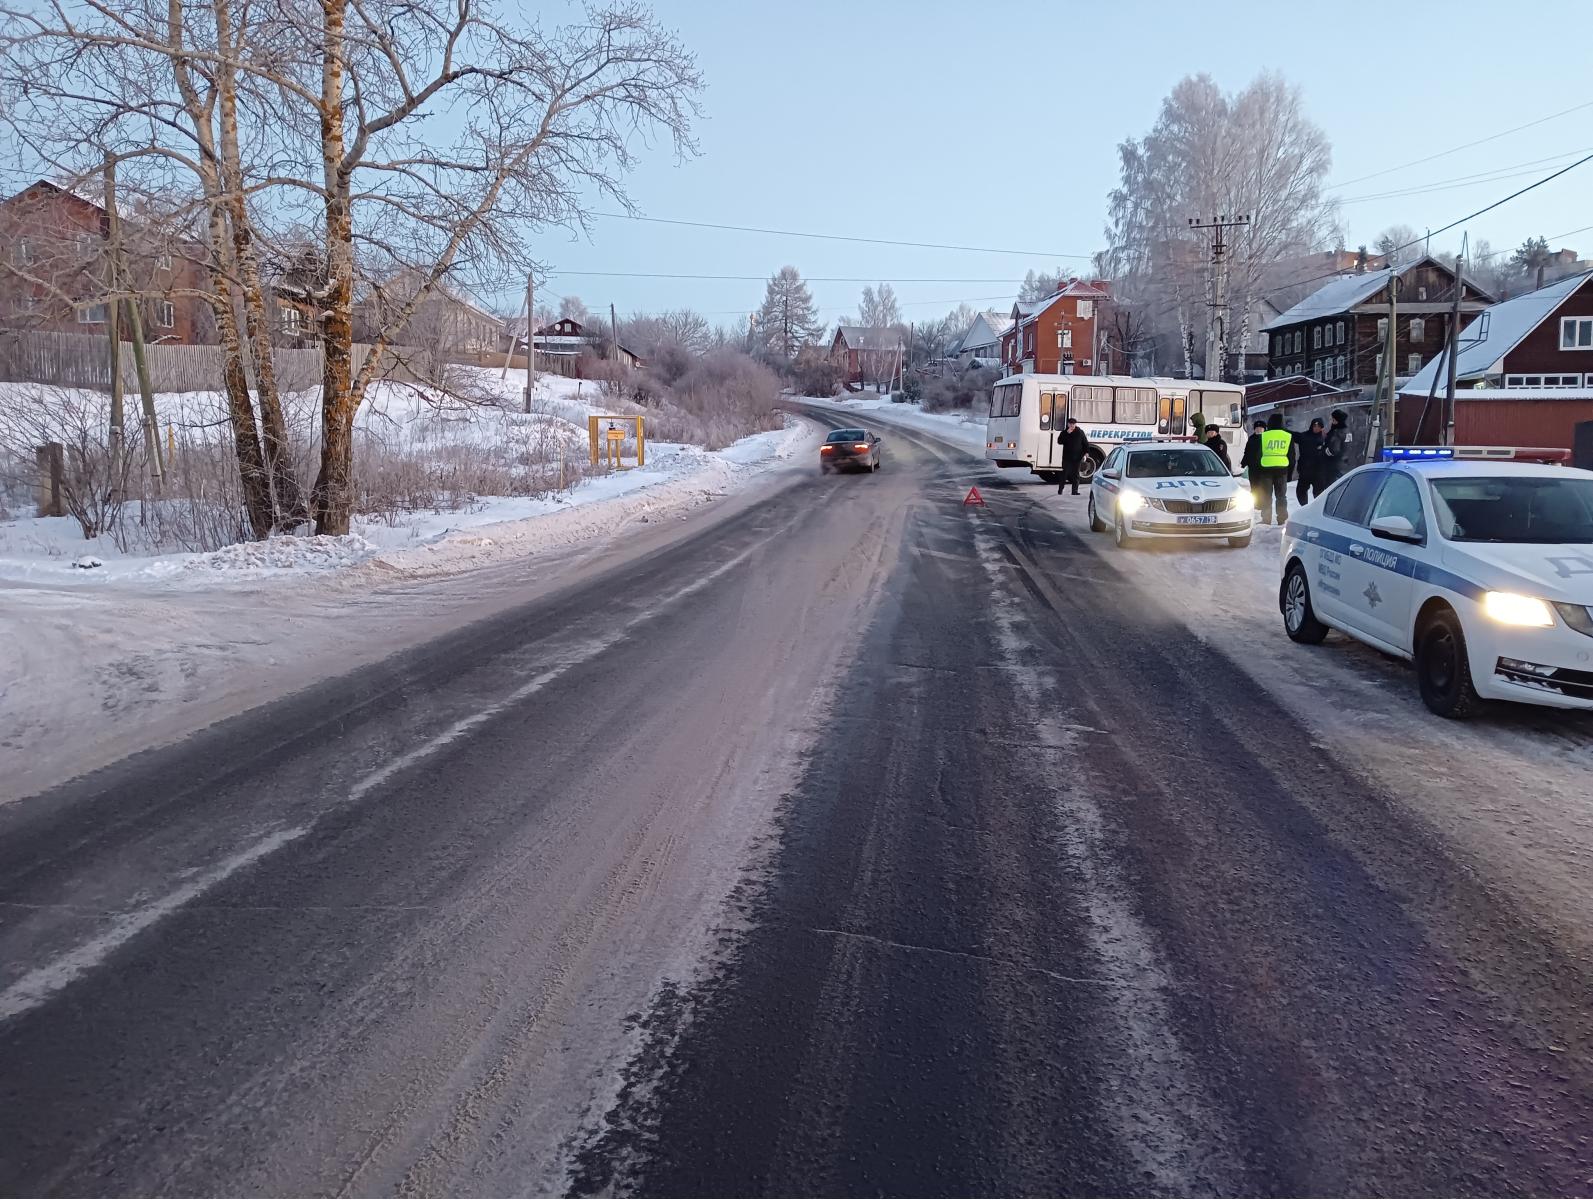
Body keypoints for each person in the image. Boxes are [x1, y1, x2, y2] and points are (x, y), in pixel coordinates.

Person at [1258, 413, 1296, 525]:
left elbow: (1258, 455)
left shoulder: (1264, 436)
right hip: (1282, 470)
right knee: (1281, 496)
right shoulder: (1287, 436)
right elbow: (1292, 457)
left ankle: (1266, 519)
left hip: (1266, 470)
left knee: (1266, 496)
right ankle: (1282, 519)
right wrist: (1290, 474)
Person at [1294, 417, 1326, 505]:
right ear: (1311, 426)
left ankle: (1317, 510)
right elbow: (1292, 434)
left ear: (1322, 427)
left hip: (1318, 472)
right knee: (1300, 491)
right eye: (1314, 426)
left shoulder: (1325, 438)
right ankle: (1305, 508)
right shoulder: (1304, 436)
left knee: (1319, 494)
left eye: (1319, 426)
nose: (1316, 428)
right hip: (1305, 471)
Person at [1057, 417, 1090, 496]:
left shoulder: (1080, 432)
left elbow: (1085, 443)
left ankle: (1074, 491)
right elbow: (1059, 441)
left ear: (1075, 424)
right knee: (1064, 474)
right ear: (1068, 424)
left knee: (1076, 475)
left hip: (1077, 457)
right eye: (1070, 424)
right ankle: (1060, 489)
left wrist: (1086, 452)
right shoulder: (1064, 432)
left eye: (1073, 424)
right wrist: (1067, 433)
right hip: (1067, 457)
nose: (1072, 426)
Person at [1240, 419, 1267, 512]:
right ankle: (1255, 504)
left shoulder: (1267, 438)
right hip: (1252, 467)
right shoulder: (1251, 438)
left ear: (1264, 429)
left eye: (1261, 428)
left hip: (1263, 467)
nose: (1258, 430)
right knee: (1254, 486)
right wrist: (1243, 463)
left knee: (1262, 486)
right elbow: (1246, 452)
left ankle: (1263, 503)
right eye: (1257, 428)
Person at [1322, 409, 1350, 484]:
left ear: (1336, 420)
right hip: (1346, 464)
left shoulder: (1336, 432)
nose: (1331, 421)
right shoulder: (1348, 431)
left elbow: (1333, 450)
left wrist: (1323, 450)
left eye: (1332, 419)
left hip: (1333, 466)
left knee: (1332, 489)